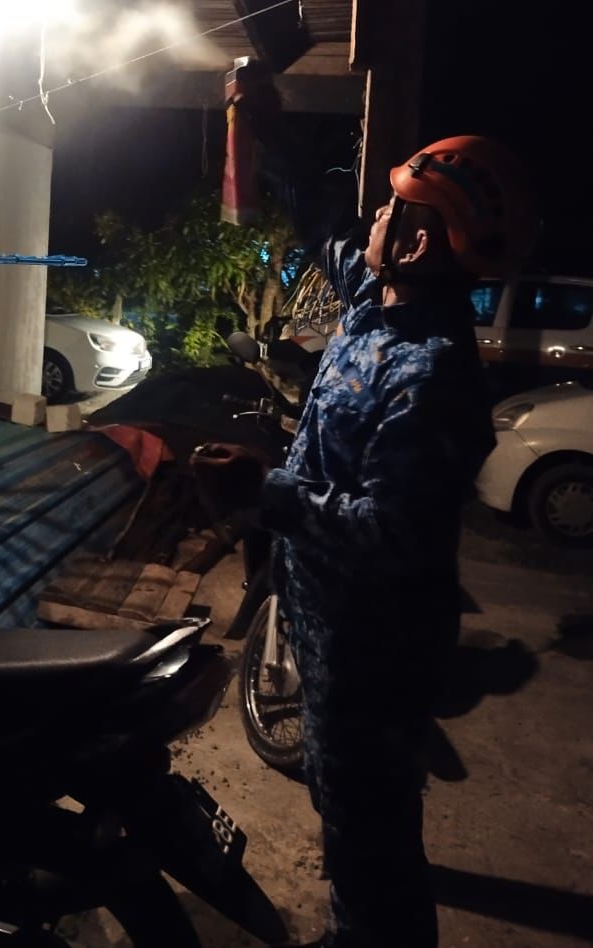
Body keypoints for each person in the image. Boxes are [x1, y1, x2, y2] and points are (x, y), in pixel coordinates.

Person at [198, 134, 539, 948]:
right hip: (329, 631)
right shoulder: (375, 299)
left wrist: (266, 491)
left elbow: (390, 533)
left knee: (371, 834)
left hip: (374, 656)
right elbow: (325, 228)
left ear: (417, 244)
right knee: (348, 814)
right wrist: (263, 130)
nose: (374, 218)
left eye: (391, 209)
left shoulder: (430, 374)